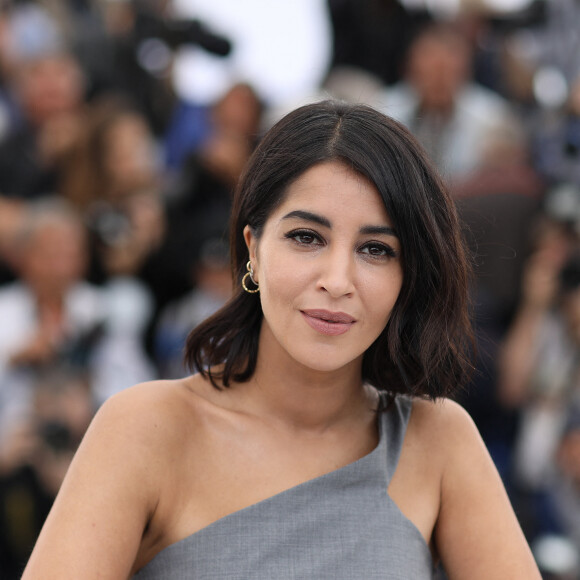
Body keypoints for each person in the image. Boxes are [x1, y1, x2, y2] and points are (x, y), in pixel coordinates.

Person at [21, 101, 540, 579]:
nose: (338, 280)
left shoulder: (439, 440)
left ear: (410, 272)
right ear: (253, 248)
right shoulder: (146, 429)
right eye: (306, 237)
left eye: (376, 249)